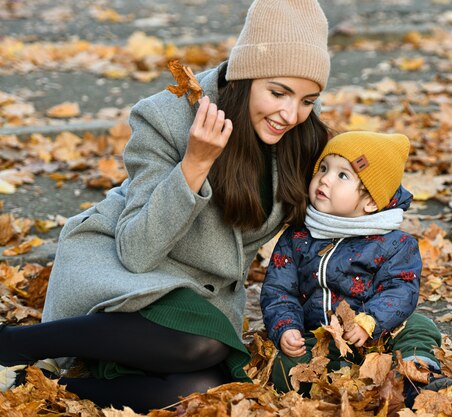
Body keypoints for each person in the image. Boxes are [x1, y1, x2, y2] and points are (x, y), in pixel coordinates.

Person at [0, 0, 332, 412]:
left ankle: (35, 382)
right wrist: (195, 164)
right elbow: (137, 250)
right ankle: (11, 344)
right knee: (203, 344)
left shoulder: (304, 139)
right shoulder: (168, 117)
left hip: (200, 299)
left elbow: (343, 208)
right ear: (244, 77)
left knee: (199, 387)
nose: (290, 114)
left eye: (307, 100)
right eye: (278, 92)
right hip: (125, 266)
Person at [260, 131, 452, 404]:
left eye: (342, 175)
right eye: (323, 168)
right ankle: (339, 387)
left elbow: (401, 290)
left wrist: (370, 321)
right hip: (318, 339)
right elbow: (279, 289)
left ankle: (416, 378)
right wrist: (286, 328)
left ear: (370, 201)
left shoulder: (395, 243)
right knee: (284, 366)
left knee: (418, 326)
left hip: (375, 339)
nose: (325, 178)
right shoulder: (297, 237)